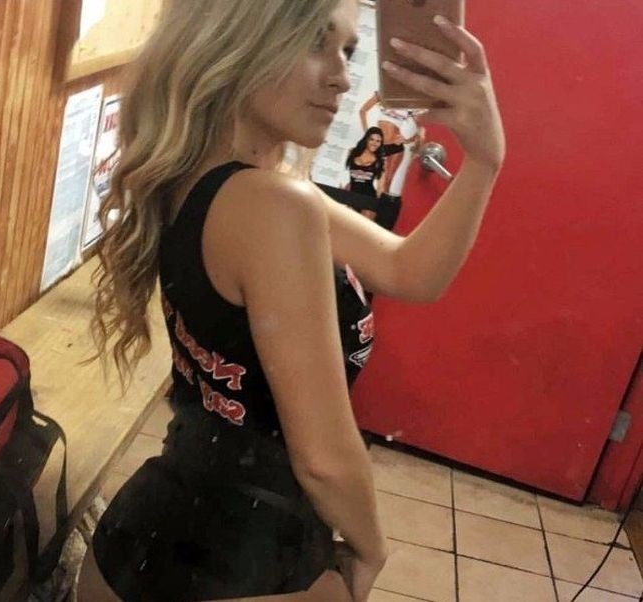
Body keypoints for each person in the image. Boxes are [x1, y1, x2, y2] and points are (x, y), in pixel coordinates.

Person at [78, 1, 505, 600]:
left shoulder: (205, 177)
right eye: (314, 43)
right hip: (239, 565)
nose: (343, 77)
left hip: (144, 536)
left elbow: (410, 271)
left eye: (349, 51)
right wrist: (371, 548)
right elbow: (323, 459)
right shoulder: (273, 205)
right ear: (237, 38)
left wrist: (483, 160)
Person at [343, 127, 403, 221]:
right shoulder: (352, 152)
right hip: (352, 196)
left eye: (378, 141)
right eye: (372, 139)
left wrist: (398, 143)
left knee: (363, 226)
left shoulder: (379, 157)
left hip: (369, 199)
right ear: (366, 139)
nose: (374, 143)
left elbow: (397, 148)